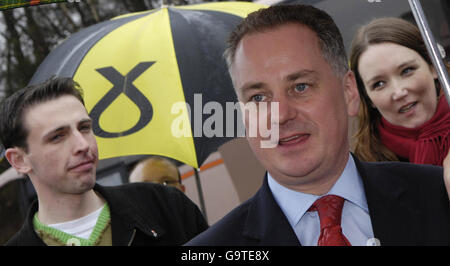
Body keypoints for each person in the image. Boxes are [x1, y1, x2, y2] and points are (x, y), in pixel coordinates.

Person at [186, 5, 450, 246]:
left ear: (348, 92)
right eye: (258, 97)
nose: (280, 115)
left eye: (300, 87)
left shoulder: (440, 195)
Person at [0, 77, 207, 246]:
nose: (83, 145)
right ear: (19, 160)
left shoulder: (165, 206)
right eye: (57, 137)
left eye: (84, 128)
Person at [349, 17, 450, 166]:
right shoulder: (367, 167)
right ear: (369, 99)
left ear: (433, 66)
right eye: (379, 84)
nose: (399, 92)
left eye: (407, 70)